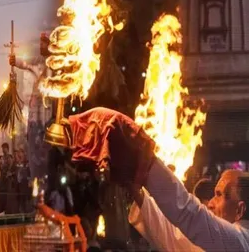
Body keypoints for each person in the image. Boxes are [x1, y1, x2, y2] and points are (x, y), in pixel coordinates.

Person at [64, 106, 249, 250]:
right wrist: (134, 186)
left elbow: (189, 213)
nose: (210, 203)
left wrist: (145, 162)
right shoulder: (219, 244)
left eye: (219, 195)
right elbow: (170, 237)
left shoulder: (240, 243)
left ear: (240, 210)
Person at [9, 33, 52, 179]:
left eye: (44, 43)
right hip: (36, 113)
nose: (41, 46)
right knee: (33, 143)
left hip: (48, 112)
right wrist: (15, 61)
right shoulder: (38, 60)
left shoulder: (55, 62)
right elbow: (26, 64)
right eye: (40, 42)